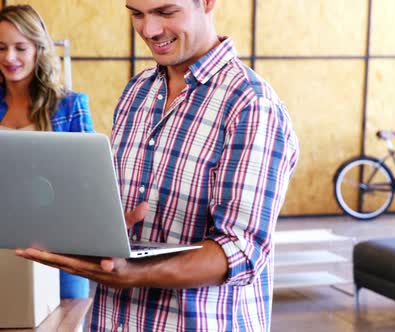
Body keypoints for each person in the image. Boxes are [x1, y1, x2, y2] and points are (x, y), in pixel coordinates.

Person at [16, 0, 299, 330]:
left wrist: (134, 274)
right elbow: (126, 213)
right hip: (114, 321)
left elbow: (241, 251)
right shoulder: (137, 91)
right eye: (136, 13)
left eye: (166, 12)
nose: (148, 30)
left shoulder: (252, 105)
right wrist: (97, 230)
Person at [0, 4, 93, 299]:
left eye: (20, 48)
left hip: (60, 247)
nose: (9, 58)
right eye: (0, 48)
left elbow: (90, 180)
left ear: (38, 49)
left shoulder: (69, 105)